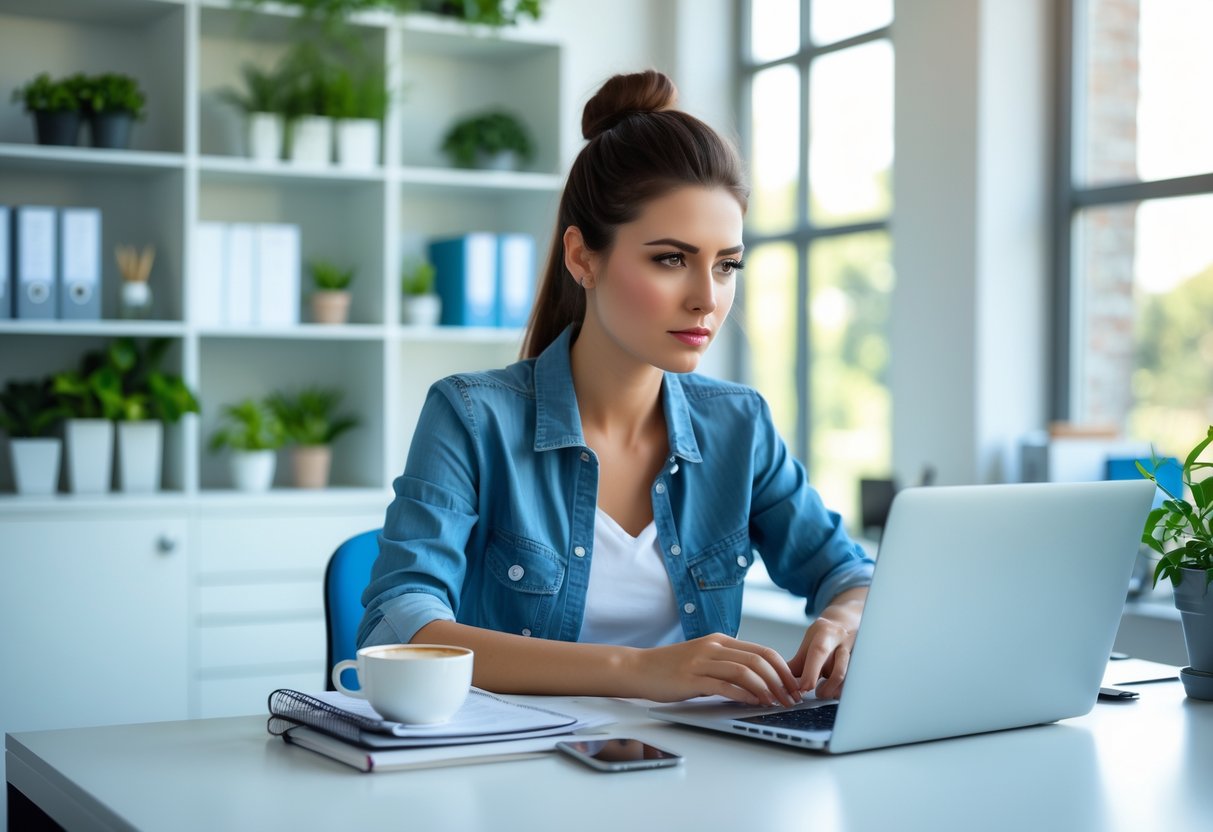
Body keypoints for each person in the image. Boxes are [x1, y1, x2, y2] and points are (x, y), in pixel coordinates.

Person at [358, 70, 874, 708]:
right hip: (517, 775)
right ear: (583, 258)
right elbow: (400, 621)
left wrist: (843, 621)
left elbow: (850, 573)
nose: (707, 299)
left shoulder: (739, 425)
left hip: (704, 772)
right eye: (670, 259)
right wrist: (639, 670)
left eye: (727, 264)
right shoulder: (470, 415)